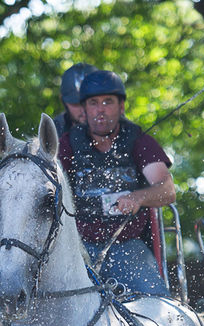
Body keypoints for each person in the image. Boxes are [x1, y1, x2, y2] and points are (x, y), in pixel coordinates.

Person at [58, 70, 175, 296]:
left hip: (127, 247)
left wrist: (138, 197)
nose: (100, 109)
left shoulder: (139, 141)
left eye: (108, 102)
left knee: (159, 304)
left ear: (121, 107)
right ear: (84, 109)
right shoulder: (67, 144)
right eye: (93, 103)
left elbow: (168, 190)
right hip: (78, 248)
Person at [53, 63, 97, 138]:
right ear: (63, 101)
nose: (84, 110)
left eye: (92, 103)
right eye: (76, 104)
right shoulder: (54, 132)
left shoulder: (117, 126)